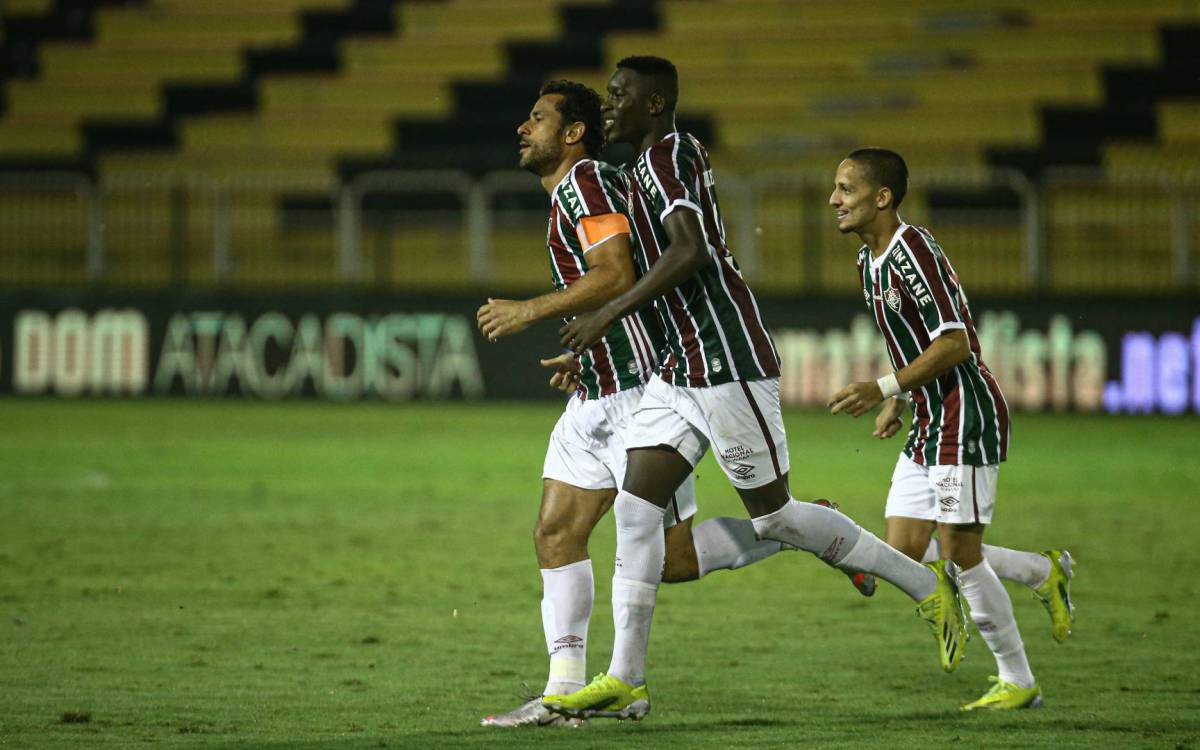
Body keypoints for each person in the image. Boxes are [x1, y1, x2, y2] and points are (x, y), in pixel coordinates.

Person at [542, 57, 967, 722]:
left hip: (726, 359)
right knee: (636, 506)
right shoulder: (643, 167)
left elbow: (690, 252)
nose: (608, 105)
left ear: (654, 104)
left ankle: (927, 587)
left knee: (775, 518)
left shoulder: (670, 154)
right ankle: (626, 678)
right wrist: (601, 342)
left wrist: (605, 315)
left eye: (620, 95)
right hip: (679, 368)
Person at [476, 80, 798, 728]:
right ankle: (562, 693)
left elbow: (617, 273)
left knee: (675, 561)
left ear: (573, 133)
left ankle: (793, 530)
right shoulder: (572, 193)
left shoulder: (588, 182)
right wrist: (589, 355)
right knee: (555, 533)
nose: (522, 128)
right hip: (596, 390)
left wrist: (529, 311)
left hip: (638, 399)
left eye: (537, 118)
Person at [826, 147, 1075, 710]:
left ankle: (1018, 680)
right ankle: (1042, 571)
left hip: (965, 414)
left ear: (882, 197)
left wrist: (883, 387)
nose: (833, 199)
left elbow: (956, 341)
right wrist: (901, 399)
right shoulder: (868, 262)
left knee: (960, 553)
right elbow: (912, 342)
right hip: (929, 417)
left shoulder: (913, 249)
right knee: (901, 552)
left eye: (845, 188)